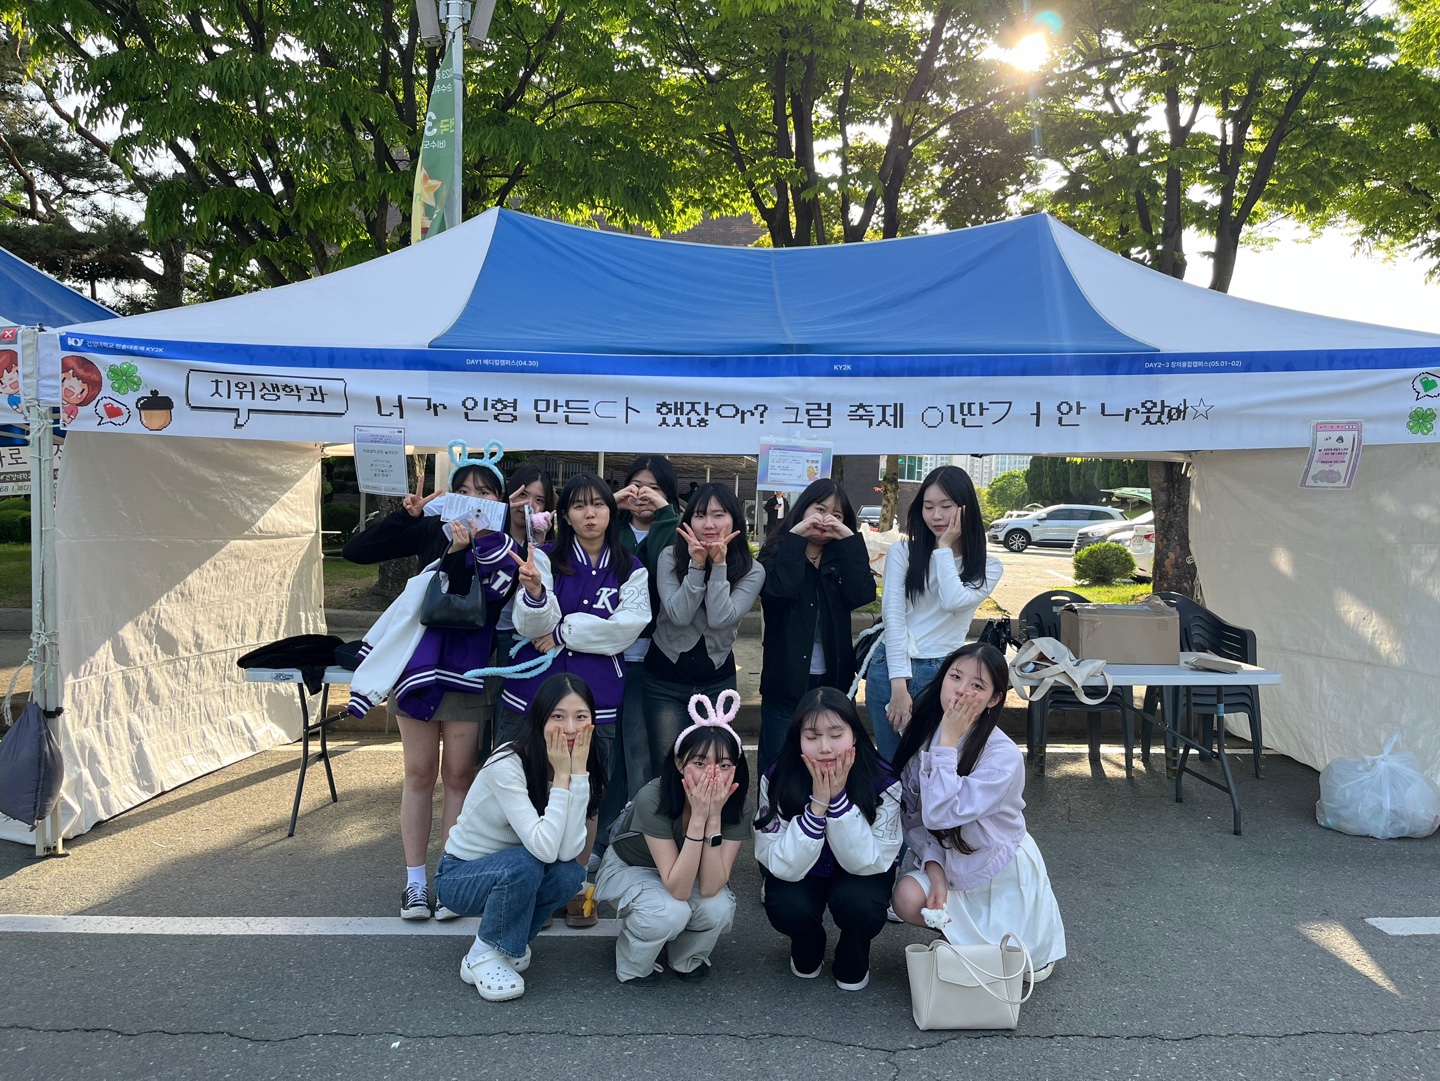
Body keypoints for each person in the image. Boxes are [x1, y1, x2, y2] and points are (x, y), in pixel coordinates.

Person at [343, 453, 519, 921]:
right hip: (416, 668)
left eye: (485, 492)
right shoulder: (431, 530)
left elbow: (485, 605)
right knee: (419, 773)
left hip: (469, 673)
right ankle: (415, 882)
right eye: (464, 491)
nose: (474, 500)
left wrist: (467, 552)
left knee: (459, 776)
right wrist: (407, 516)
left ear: (499, 501)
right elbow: (356, 552)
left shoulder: (505, 549)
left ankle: (451, 880)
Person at [889, 644, 1066, 981]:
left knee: (1025, 969)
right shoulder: (923, 735)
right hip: (947, 858)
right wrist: (934, 869)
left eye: (977, 686)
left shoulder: (1003, 757)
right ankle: (957, 941)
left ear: (994, 699)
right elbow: (914, 818)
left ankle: (974, 946)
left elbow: (940, 813)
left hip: (996, 868)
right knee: (907, 898)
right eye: (955, 677)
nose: (961, 691)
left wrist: (947, 741)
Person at [436, 673, 605, 1001]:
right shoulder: (507, 763)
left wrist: (576, 775)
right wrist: (562, 778)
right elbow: (544, 850)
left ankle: (505, 946)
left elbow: (567, 852)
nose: (571, 728)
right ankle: (481, 955)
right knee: (526, 863)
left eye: (581, 717)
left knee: (571, 875)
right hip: (460, 877)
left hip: (517, 868)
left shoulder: (580, 765)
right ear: (539, 718)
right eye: (558, 716)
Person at [500, 473, 649, 832]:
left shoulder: (631, 568)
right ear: (565, 515)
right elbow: (530, 626)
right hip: (532, 694)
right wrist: (536, 594)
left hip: (597, 697)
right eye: (579, 506)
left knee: (587, 797)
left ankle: (577, 868)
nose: (590, 513)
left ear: (612, 511)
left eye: (598, 504)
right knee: (520, 794)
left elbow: (627, 627)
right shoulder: (543, 557)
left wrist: (563, 632)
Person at [594, 691, 750, 982]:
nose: (712, 775)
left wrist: (714, 818)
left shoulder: (739, 803)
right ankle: (632, 964)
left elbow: (712, 885)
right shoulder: (653, 795)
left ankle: (685, 957)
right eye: (700, 763)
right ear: (679, 763)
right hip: (633, 866)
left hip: (689, 868)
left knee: (719, 908)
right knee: (669, 911)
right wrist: (698, 818)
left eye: (724, 765)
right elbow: (678, 890)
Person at [754, 687, 901, 991]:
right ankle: (808, 941)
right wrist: (817, 807)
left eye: (836, 735)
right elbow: (778, 863)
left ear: (855, 734)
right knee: (786, 904)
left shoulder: (882, 780)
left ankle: (853, 951)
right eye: (812, 736)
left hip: (861, 874)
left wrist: (838, 803)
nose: (824, 748)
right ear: (797, 738)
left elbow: (872, 862)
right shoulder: (778, 777)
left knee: (861, 904)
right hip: (801, 870)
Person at [866, 465, 1002, 764]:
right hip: (891, 666)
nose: (936, 516)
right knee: (891, 763)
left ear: (965, 509)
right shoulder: (903, 552)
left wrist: (943, 548)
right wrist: (898, 684)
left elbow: (954, 601)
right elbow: (894, 616)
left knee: (937, 760)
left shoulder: (987, 567)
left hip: (946, 673)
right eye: (928, 507)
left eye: (946, 506)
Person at [756, 479, 876, 777]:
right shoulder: (777, 550)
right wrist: (796, 537)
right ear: (802, 510)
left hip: (834, 679)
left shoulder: (841, 556)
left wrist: (849, 539)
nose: (826, 520)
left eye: (837, 515)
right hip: (785, 680)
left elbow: (862, 594)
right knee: (778, 766)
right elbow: (778, 591)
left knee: (831, 765)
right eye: (820, 510)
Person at [643, 482, 765, 771]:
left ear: (735, 519)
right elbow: (679, 615)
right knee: (668, 767)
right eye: (700, 515)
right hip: (665, 680)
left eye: (718, 515)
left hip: (717, 681)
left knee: (714, 766)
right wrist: (697, 565)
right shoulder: (670, 556)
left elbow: (720, 618)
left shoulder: (752, 570)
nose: (709, 524)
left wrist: (719, 566)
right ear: (689, 521)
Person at [608, 456, 681, 806]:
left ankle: (635, 831)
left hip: (648, 657)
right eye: (637, 486)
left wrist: (666, 514)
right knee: (605, 753)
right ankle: (604, 829)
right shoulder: (610, 526)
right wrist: (609, 505)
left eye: (655, 489)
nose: (644, 495)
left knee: (639, 753)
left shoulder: (677, 531)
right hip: (606, 655)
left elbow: (658, 572)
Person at [483, 464, 555, 760]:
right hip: (488, 636)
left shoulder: (546, 546)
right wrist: (499, 513)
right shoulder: (488, 535)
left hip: (527, 638)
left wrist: (539, 543)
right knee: (489, 718)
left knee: (517, 716)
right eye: (523, 495)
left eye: (539, 500)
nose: (529, 505)